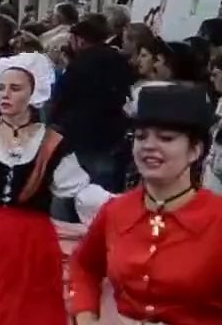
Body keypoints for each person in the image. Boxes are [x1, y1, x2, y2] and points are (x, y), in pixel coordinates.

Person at [0, 52, 110, 325]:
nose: (5, 94)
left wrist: (121, 207)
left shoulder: (52, 142)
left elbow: (80, 191)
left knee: (23, 310)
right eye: (1, 88)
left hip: (30, 242)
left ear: (33, 93)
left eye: (15, 88)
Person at [69, 83, 222, 324]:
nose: (149, 145)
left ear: (195, 150)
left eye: (166, 138)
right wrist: (86, 316)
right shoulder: (116, 210)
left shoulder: (217, 218)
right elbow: (83, 266)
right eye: (140, 137)